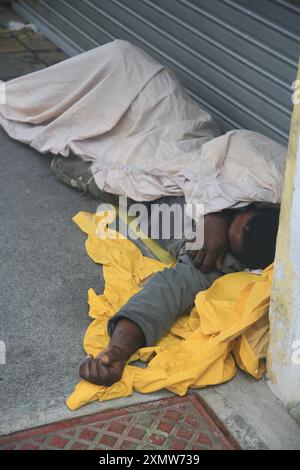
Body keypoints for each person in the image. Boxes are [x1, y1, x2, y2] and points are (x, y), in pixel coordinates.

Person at [51, 153, 280, 387]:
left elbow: (164, 295)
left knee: (116, 176)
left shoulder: (212, 261)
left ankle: (92, 173)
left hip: (151, 193)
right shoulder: (273, 188)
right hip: (194, 160)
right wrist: (218, 210)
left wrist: (118, 349)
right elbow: (237, 155)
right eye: (237, 216)